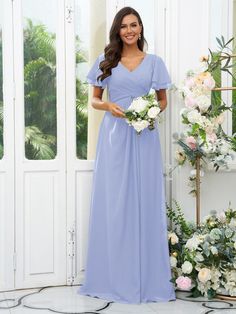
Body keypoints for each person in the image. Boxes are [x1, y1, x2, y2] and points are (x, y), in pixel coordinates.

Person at [78, 6, 176, 304]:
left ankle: (148, 279)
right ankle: (112, 277)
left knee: (145, 202)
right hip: (115, 138)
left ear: (141, 29)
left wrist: (148, 115)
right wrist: (109, 107)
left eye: (134, 25)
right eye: (124, 26)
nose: (130, 30)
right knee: (116, 203)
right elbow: (94, 100)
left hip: (144, 137)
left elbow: (163, 101)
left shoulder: (155, 63)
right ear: (117, 31)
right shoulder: (105, 61)